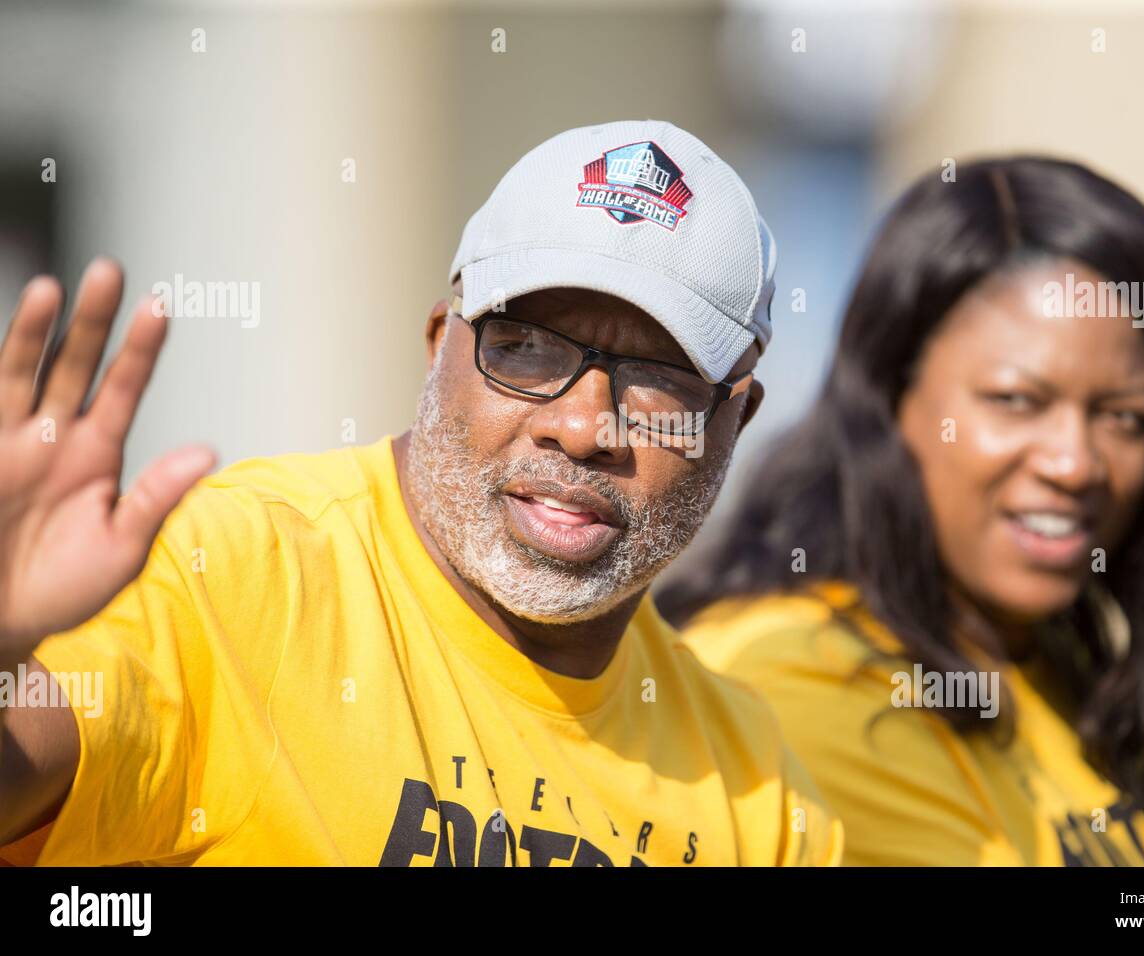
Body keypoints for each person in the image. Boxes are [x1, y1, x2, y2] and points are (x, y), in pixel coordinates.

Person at [0, 120, 843, 866]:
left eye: (659, 379)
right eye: (527, 349)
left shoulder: (761, 801)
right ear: (440, 342)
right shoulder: (238, 575)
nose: (584, 427)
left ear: (736, 421)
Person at [661, 156, 1144, 866]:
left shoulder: (1051, 664)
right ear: (890, 399)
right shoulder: (798, 684)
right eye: (1017, 401)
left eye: (1124, 417)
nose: (1075, 462)